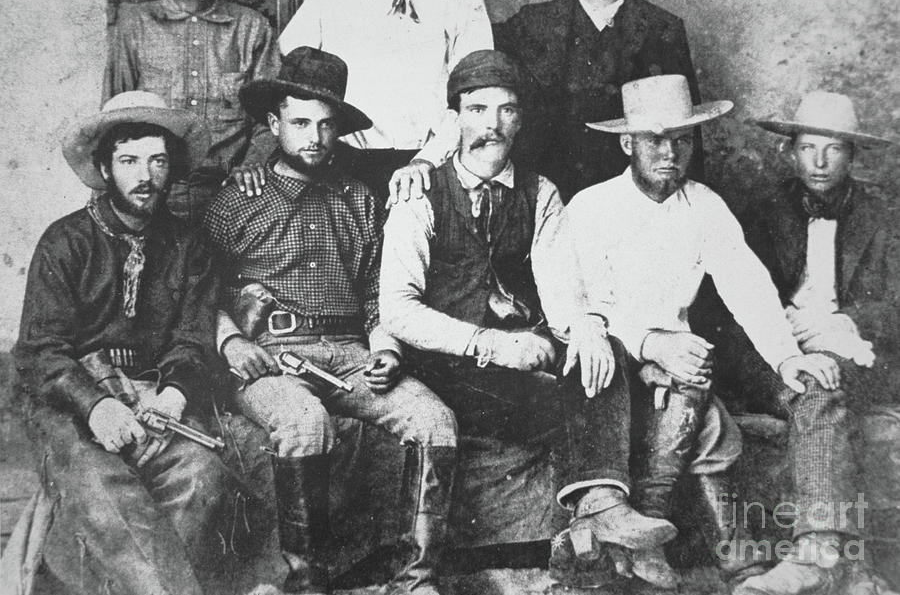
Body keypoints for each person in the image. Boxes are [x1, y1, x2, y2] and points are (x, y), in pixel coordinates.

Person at [379, 50, 680, 591]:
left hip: (525, 349)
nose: (491, 125)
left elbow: (562, 289)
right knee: (570, 392)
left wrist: (585, 330)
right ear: (455, 118)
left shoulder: (541, 193)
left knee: (602, 350)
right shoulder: (420, 193)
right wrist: (491, 344)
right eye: (477, 109)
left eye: (506, 111)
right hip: (447, 360)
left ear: (521, 119)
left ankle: (604, 507)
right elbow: (397, 309)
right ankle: (596, 516)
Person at [564, 75, 865, 593]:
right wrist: (649, 345)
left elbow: (747, 284)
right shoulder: (590, 208)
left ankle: (769, 563)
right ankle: (718, 557)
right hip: (611, 361)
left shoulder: (704, 205)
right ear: (626, 143)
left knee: (706, 386)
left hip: (684, 361)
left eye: (683, 140)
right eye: (656, 140)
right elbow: (575, 308)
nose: (670, 153)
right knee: (702, 406)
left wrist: (786, 358)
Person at [203, 46, 458, 595]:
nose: (314, 137)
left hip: (349, 351)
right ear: (274, 124)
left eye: (326, 125)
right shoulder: (238, 199)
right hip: (270, 356)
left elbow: (374, 290)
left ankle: (416, 582)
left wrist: (385, 347)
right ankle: (306, 583)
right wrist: (228, 343)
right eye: (299, 123)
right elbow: (198, 288)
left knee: (434, 421)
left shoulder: (358, 198)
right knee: (305, 422)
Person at [13, 91, 230, 595]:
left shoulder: (189, 244)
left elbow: (193, 337)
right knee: (108, 490)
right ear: (105, 169)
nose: (145, 175)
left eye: (158, 160)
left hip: (154, 400)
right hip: (69, 407)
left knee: (203, 478)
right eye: (129, 160)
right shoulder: (65, 241)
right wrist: (95, 407)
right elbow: (40, 352)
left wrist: (175, 393)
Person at [720, 91, 900, 595]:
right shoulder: (760, 211)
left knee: (820, 389)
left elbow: (897, 304)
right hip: (779, 351)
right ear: (789, 151)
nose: (819, 162)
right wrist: (786, 340)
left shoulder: (885, 216)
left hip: (856, 352)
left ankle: (817, 553)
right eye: (807, 148)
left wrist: (840, 322)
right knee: (809, 382)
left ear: (852, 155)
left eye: (834, 149)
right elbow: (729, 305)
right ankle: (853, 571)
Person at [279, 0, 493, 203]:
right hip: (346, 169)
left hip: (432, 166)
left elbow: (476, 91)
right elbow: (288, 71)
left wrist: (428, 159)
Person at [494, 0, 703, 202]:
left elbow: (688, 129)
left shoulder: (661, 27)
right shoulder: (533, 23)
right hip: (551, 196)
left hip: (637, 197)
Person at [106, 0, 279, 223]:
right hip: (153, 193)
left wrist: (253, 162)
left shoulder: (252, 28)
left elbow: (270, 116)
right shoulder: (135, 25)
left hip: (230, 193)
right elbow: (114, 118)